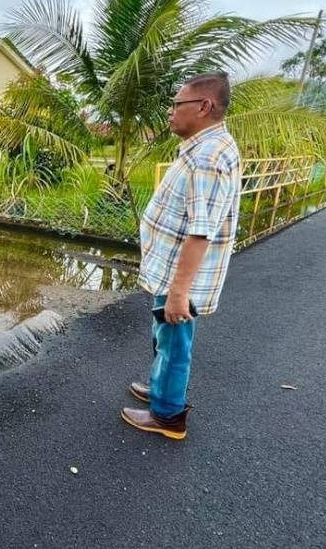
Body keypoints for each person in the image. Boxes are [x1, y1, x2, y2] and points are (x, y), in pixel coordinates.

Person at [120, 72, 241, 440]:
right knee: (165, 337)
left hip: (181, 277)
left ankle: (168, 415)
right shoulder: (205, 149)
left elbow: (200, 231)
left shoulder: (207, 157)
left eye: (177, 104)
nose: (170, 112)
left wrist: (179, 291)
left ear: (203, 107)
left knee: (174, 344)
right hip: (172, 271)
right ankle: (161, 390)